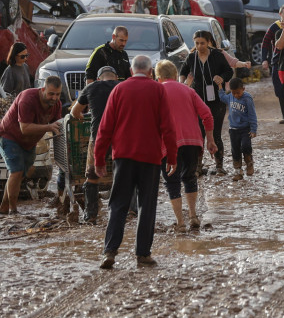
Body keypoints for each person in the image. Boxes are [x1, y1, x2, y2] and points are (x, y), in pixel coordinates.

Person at [95, 55, 177, 269]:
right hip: (150, 158)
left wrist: (99, 158)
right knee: (146, 205)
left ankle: (110, 252)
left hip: (123, 157)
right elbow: (168, 126)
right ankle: (142, 254)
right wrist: (172, 156)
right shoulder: (158, 90)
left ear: (131, 71)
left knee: (118, 204)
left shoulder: (119, 90)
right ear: (151, 72)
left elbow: (105, 128)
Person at [154, 60, 215, 229]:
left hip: (168, 145)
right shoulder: (189, 91)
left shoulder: (157, 92)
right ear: (175, 75)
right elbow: (207, 115)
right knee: (189, 177)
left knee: (171, 182)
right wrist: (210, 139)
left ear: (158, 78)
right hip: (192, 142)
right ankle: (194, 216)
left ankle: (180, 222)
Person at [0, 77, 62, 215]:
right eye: (51, 94)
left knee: (20, 174)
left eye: (57, 94)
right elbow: (25, 128)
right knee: (16, 172)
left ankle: (4, 207)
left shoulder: (56, 104)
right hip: (9, 135)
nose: (54, 98)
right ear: (42, 90)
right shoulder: (28, 98)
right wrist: (48, 127)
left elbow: (58, 126)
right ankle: (13, 211)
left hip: (29, 142)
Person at [70, 66, 120, 224]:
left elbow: (74, 112)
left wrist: (83, 117)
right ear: (116, 77)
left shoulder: (91, 87)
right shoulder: (121, 87)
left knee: (92, 176)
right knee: (125, 173)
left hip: (98, 136)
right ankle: (129, 212)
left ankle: (91, 215)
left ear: (99, 78)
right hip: (121, 137)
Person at [180, 30, 233, 174]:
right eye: (197, 43)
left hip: (216, 100)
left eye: (202, 43)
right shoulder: (192, 58)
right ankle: (197, 167)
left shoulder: (217, 55)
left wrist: (222, 78)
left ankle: (219, 166)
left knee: (215, 133)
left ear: (208, 42)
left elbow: (229, 71)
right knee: (198, 134)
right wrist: (182, 83)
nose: (199, 46)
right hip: (197, 100)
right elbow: (183, 71)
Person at [219, 77, 258, 182]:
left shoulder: (247, 98)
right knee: (235, 150)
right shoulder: (230, 97)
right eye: (233, 93)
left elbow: (252, 114)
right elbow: (222, 97)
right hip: (233, 130)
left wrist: (253, 129)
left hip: (245, 129)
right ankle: (238, 171)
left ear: (243, 89)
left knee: (246, 146)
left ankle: (249, 163)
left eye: (238, 93)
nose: (236, 95)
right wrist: (219, 86)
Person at [261, 4, 284, 124]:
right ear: (280, 15)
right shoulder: (274, 27)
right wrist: (264, 59)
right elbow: (265, 43)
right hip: (277, 62)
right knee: (280, 90)